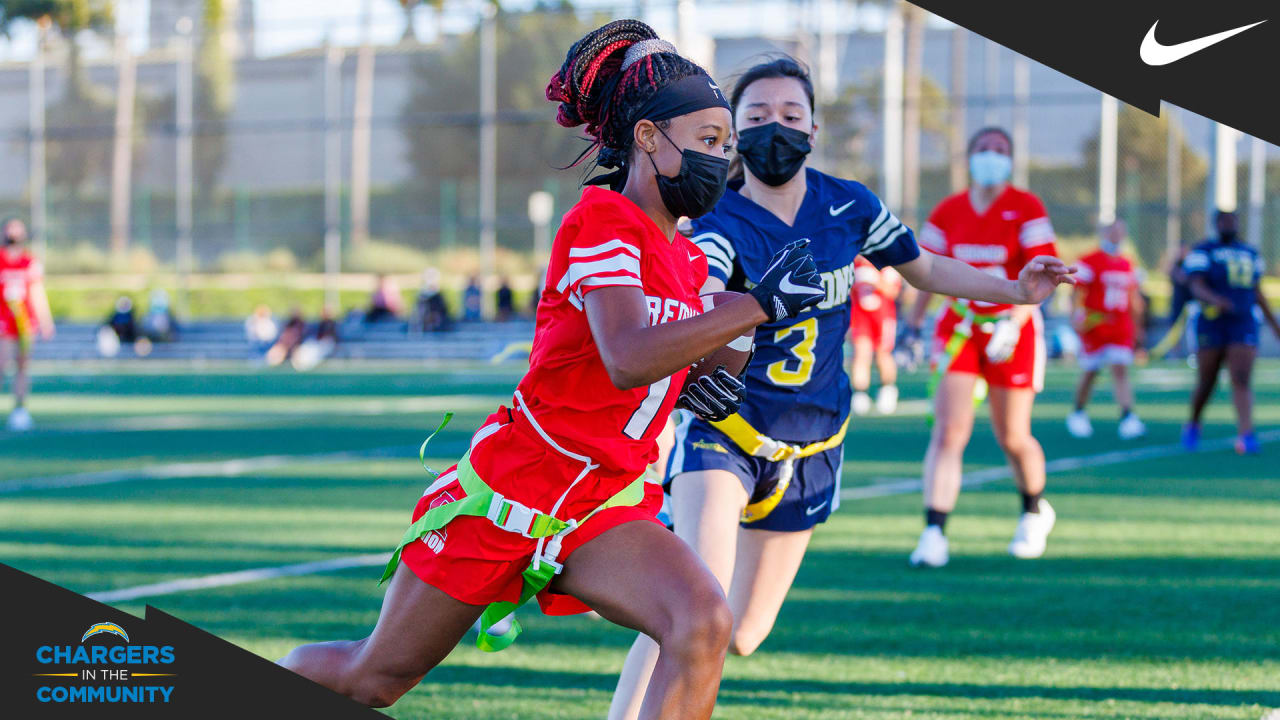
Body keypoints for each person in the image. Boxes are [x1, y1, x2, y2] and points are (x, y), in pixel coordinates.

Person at [279, 22, 828, 719]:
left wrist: (703, 372)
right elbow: (626, 356)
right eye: (710, 140)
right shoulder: (601, 221)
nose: (723, 159)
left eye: (726, 144)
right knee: (373, 680)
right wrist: (752, 306)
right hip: (513, 491)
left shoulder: (689, 259)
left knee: (702, 622)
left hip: (603, 503)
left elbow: (653, 364)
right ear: (650, 138)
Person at [608, 62, 1075, 719]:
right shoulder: (718, 217)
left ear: (815, 129)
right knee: (693, 607)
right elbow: (691, 294)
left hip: (812, 446)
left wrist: (1017, 291)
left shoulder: (850, 205)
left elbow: (927, 267)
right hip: (726, 434)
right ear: (735, 135)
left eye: (791, 115)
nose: (776, 126)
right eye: (758, 116)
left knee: (741, 634)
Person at [904, 127, 1062, 568]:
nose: (991, 157)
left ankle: (1033, 509)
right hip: (960, 327)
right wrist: (912, 327)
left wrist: (1014, 320)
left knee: (1012, 435)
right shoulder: (950, 210)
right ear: (969, 156)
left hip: (1013, 329)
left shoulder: (1025, 206)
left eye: (1000, 151)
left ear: (1011, 160)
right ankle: (934, 530)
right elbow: (925, 270)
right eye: (984, 149)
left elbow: (1044, 271)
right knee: (950, 431)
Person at [1180, 210, 1280, 454]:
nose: (1229, 225)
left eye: (1232, 221)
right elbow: (1195, 285)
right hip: (1211, 322)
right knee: (1207, 380)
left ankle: (1246, 434)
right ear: (1216, 225)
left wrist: (1275, 326)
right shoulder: (1203, 250)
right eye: (1224, 221)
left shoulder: (1250, 252)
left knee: (1242, 378)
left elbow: (1257, 291)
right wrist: (1216, 300)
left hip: (1243, 321)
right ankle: (1193, 423)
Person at [1066, 219, 1146, 439]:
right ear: (1104, 233)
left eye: (1120, 232)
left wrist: (1138, 327)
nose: (1116, 237)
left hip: (1120, 323)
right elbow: (1076, 291)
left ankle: (1127, 415)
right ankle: (1078, 412)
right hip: (1096, 323)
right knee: (1091, 370)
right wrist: (1075, 316)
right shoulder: (1090, 261)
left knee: (1120, 368)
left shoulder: (1128, 263)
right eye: (1113, 232)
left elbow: (1134, 298)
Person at [0, 218, 54, 431]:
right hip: (3, 323)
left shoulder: (29, 262)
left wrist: (45, 320)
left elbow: (37, 292)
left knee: (22, 367)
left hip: (24, 323)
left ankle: (20, 409)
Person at [850, 254, 903, 415]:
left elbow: (893, 291)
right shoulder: (854, 266)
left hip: (883, 317)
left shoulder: (887, 266)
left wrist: (876, 280)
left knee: (883, 354)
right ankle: (860, 393)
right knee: (861, 353)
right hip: (860, 316)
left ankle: (887, 388)